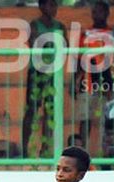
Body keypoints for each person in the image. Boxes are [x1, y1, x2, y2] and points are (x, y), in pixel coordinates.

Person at [73, 0, 114, 153]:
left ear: (107, 13)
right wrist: (75, 80)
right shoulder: (85, 34)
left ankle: (111, 153)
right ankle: (81, 153)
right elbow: (78, 58)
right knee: (85, 120)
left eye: (101, 11)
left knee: (111, 120)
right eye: (95, 11)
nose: (97, 14)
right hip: (88, 81)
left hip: (111, 81)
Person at [22, 0, 66, 157]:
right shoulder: (34, 25)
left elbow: (63, 46)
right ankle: (24, 150)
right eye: (50, 5)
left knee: (50, 112)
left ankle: (45, 149)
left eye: (55, 5)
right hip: (37, 72)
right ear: (41, 7)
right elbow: (36, 46)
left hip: (53, 73)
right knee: (31, 111)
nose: (53, 8)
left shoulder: (60, 26)